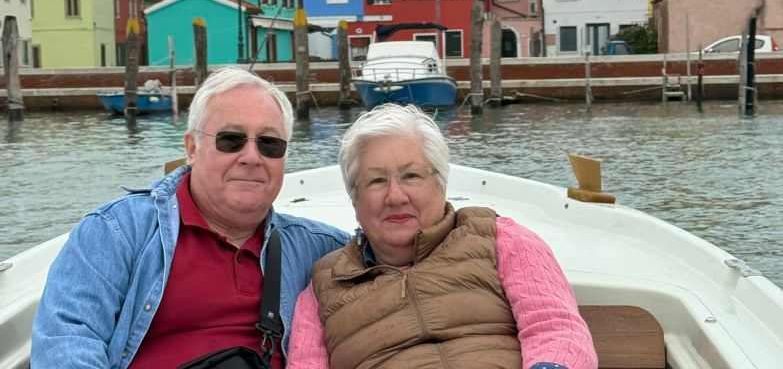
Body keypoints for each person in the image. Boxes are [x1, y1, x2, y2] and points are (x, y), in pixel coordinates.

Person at [32, 66, 349, 368]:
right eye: (231, 140)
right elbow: (65, 344)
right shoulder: (116, 233)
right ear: (192, 148)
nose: (251, 157)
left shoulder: (323, 251)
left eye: (269, 144)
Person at [287, 103, 598, 369]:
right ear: (355, 199)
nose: (396, 196)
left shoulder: (500, 239)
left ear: (441, 183)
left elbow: (555, 330)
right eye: (377, 181)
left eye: (411, 176)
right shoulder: (324, 287)